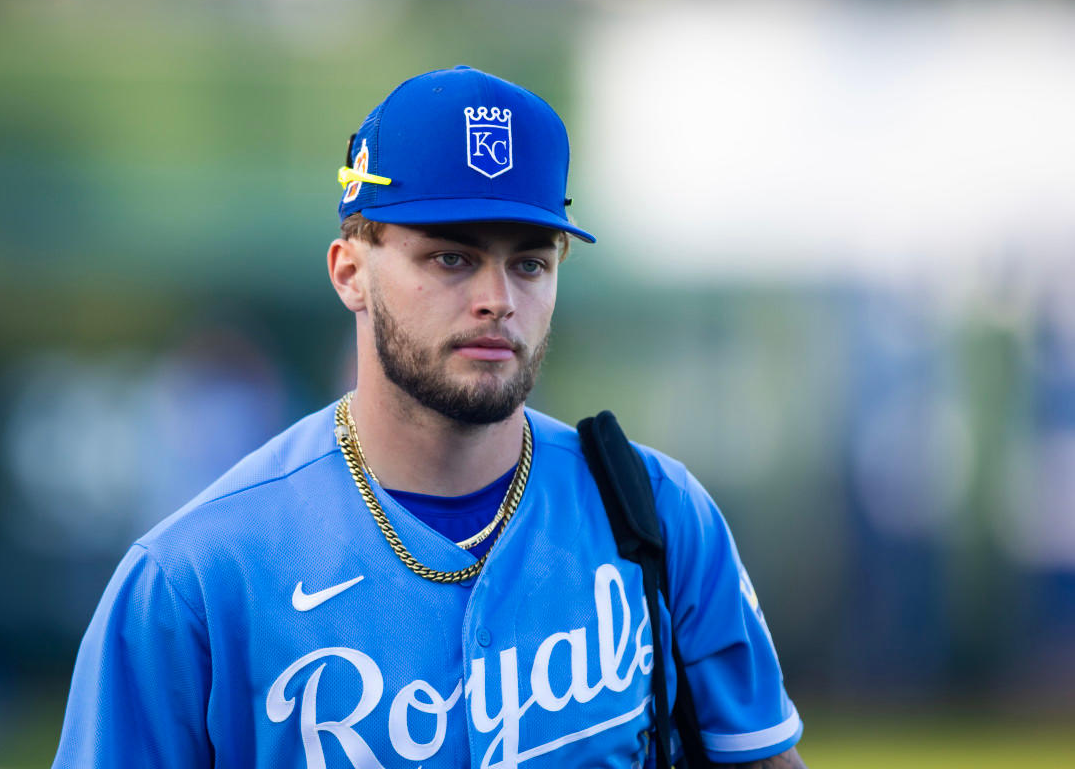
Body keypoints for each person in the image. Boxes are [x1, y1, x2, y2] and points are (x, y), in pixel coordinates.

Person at [52, 65, 806, 769]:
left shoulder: (655, 514)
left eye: (529, 262)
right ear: (351, 273)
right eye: (450, 257)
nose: (497, 299)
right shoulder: (195, 576)